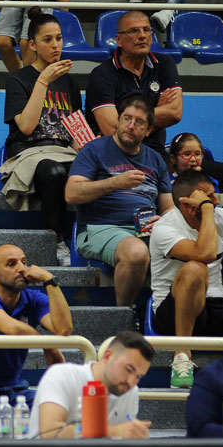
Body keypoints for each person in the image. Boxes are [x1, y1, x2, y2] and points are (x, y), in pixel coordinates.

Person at [149, 170, 223, 386]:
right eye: (208, 197)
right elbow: (205, 254)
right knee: (195, 269)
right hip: (172, 313)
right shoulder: (164, 228)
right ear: (187, 204)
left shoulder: (220, 216)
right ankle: (182, 354)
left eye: (213, 195)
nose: (215, 201)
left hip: (216, 305)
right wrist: (206, 210)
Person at [65, 95, 173, 306]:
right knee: (136, 252)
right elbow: (71, 193)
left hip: (148, 231)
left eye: (139, 122)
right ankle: (123, 315)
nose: (131, 125)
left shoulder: (155, 159)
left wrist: (165, 220)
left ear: (148, 130)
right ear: (118, 121)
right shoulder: (94, 150)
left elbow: (168, 208)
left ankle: (165, 316)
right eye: (127, 118)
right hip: (101, 228)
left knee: (194, 251)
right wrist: (115, 183)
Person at [0, 12, 82, 265]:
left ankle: (89, 238)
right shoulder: (18, 79)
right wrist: (43, 81)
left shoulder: (70, 83)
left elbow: (75, 131)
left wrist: (90, 153)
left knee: (94, 170)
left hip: (63, 149)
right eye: (47, 39)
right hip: (29, 151)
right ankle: (57, 240)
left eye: (59, 38)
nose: (56, 45)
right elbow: (26, 127)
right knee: (54, 171)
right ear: (32, 45)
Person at [0, 244, 72, 425]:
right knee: (0, 416)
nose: (22, 269)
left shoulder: (32, 298)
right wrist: (47, 344)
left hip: (14, 388)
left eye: (24, 262)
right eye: (11, 264)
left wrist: (50, 280)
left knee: (55, 410)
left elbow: (63, 328)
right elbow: (12, 328)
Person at [166, 133, 223, 296]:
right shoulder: (166, 183)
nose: (193, 159)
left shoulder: (210, 182)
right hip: (182, 237)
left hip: (211, 234)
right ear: (173, 158)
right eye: (187, 154)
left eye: (197, 154)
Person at [84, 11, 182, 152]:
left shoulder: (164, 64)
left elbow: (175, 112)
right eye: (134, 31)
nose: (142, 35)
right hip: (115, 155)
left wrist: (126, 120)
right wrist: (155, 111)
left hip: (155, 152)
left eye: (146, 30)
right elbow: (113, 130)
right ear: (119, 40)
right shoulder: (102, 75)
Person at [31, 331, 153, 439]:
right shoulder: (62, 375)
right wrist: (111, 431)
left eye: (138, 376)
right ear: (108, 356)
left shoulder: (130, 392)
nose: (131, 382)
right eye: (128, 369)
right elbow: (50, 433)